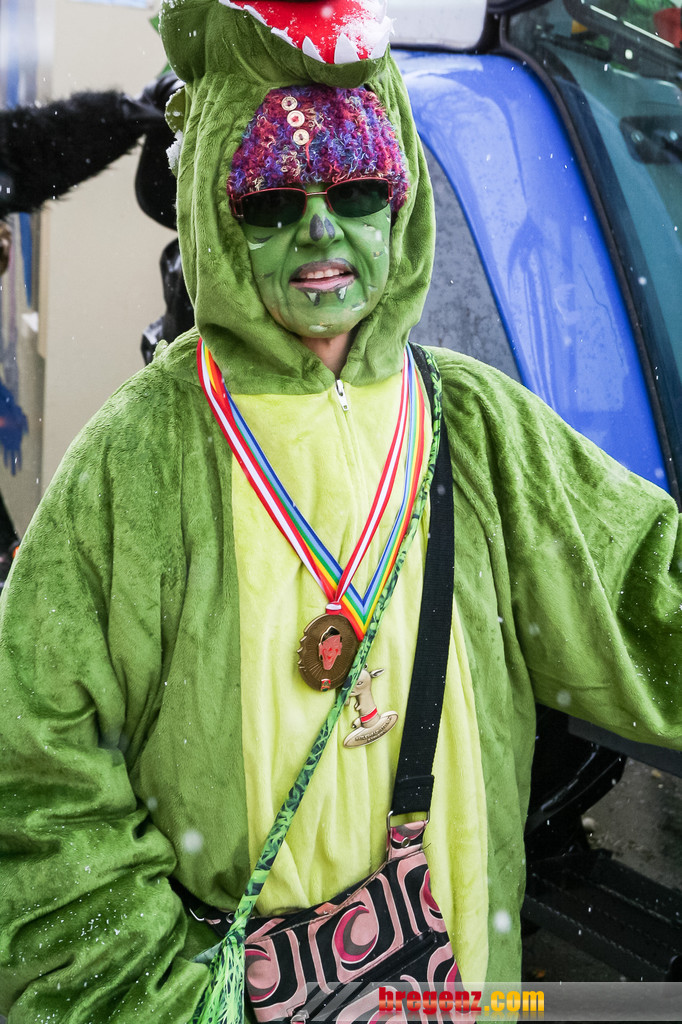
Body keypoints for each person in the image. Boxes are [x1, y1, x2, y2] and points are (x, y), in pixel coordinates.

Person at [0, 1, 681, 1022]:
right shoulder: (137, 460)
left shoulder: (477, 424)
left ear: (399, 202)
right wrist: (157, 1002)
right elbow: (38, 783)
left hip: (460, 995)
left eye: (358, 187)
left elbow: (649, 591)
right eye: (273, 197)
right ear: (220, 207)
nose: (320, 230)